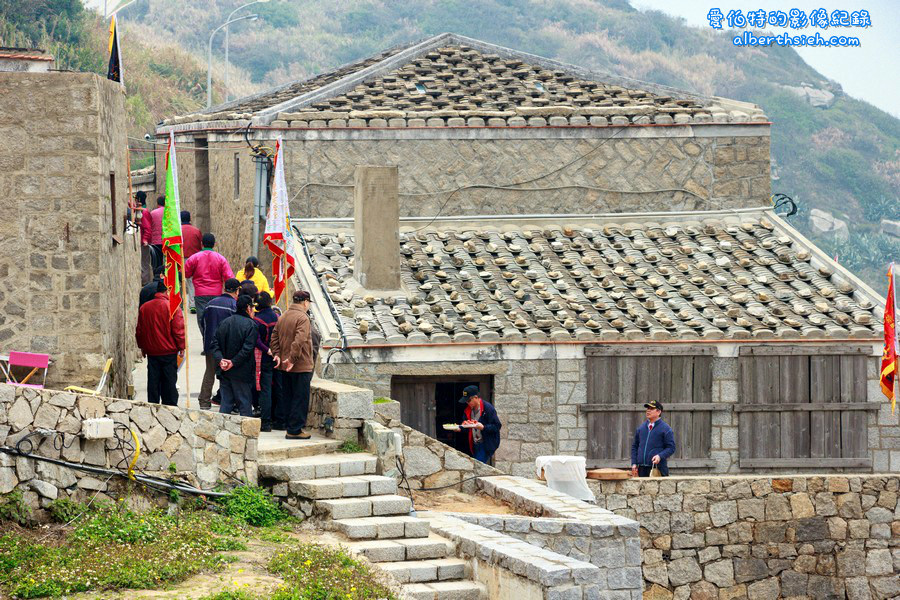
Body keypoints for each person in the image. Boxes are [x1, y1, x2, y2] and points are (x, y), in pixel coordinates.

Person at [270, 290, 314, 440]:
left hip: (284, 365)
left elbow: (274, 336)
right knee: (300, 398)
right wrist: (292, 359)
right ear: (305, 302)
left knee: (288, 397)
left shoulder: (283, 316)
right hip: (300, 365)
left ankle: (291, 427)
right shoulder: (303, 318)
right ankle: (295, 430)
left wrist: (277, 355)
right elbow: (299, 340)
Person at [135, 287, 185, 406]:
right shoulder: (172, 307)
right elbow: (178, 329)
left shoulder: (144, 307)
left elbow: (140, 330)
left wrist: (142, 347)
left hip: (152, 351)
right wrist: (181, 346)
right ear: (166, 291)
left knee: (153, 381)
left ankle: (153, 405)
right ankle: (170, 406)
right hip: (169, 351)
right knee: (169, 381)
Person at [211, 295, 258, 417]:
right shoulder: (251, 325)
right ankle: (247, 436)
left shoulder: (225, 322)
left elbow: (214, 344)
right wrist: (233, 362)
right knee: (245, 406)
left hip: (225, 371)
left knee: (226, 405)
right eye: (252, 307)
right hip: (242, 373)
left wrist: (221, 360)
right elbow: (247, 349)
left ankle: (222, 434)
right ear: (248, 308)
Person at [198, 277, 240, 409]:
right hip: (227, 347)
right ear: (237, 291)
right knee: (227, 376)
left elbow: (202, 323)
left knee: (209, 373)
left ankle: (204, 402)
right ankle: (227, 404)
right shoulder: (234, 306)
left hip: (210, 345)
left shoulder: (210, 304)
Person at [185, 233, 234, 333]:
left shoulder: (194, 258)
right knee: (216, 319)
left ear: (202, 244)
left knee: (202, 319)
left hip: (200, 293)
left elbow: (186, 273)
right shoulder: (221, 259)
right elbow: (229, 277)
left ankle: (206, 342)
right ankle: (215, 343)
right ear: (214, 244)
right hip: (216, 294)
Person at [252, 292, 279, 431]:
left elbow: (256, 340)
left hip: (264, 357)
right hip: (278, 356)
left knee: (265, 390)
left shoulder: (257, 320)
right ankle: (278, 419)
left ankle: (266, 422)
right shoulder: (277, 316)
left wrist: (267, 350)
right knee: (277, 386)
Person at [456, 385, 502, 464]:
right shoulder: (468, 410)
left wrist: (483, 427)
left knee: (476, 466)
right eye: (466, 401)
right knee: (476, 466)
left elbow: (497, 426)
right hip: (474, 444)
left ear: (476, 397)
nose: (467, 403)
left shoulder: (488, 408)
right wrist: (460, 428)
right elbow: (467, 426)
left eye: (469, 400)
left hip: (485, 444)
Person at [630, 401, 676, 477]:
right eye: (647, 408)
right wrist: (634, 463)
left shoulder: (666, 429)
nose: (648, 410)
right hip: (641, 469)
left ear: (658, 412)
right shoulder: (641, 428)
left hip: (658, 469)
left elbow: (671, 448)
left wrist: (659, 456)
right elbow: (635, 446)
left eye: (651, 408)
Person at [181, 211, 203, 314]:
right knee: (191, 282)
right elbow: (199, 246)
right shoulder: (196, 231)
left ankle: (179, 304)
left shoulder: (178, 231)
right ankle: (193, 304)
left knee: (179, 281)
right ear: (190, 218)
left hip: (180, 258)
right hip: (193, 259)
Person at [136, 191, 153, 285]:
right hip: (142, 240)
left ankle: (145, 282)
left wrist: (145, 239)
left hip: (143, 241)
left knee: (144, 263)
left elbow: (147, 228)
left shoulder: (144, 212)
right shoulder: (142, 210)